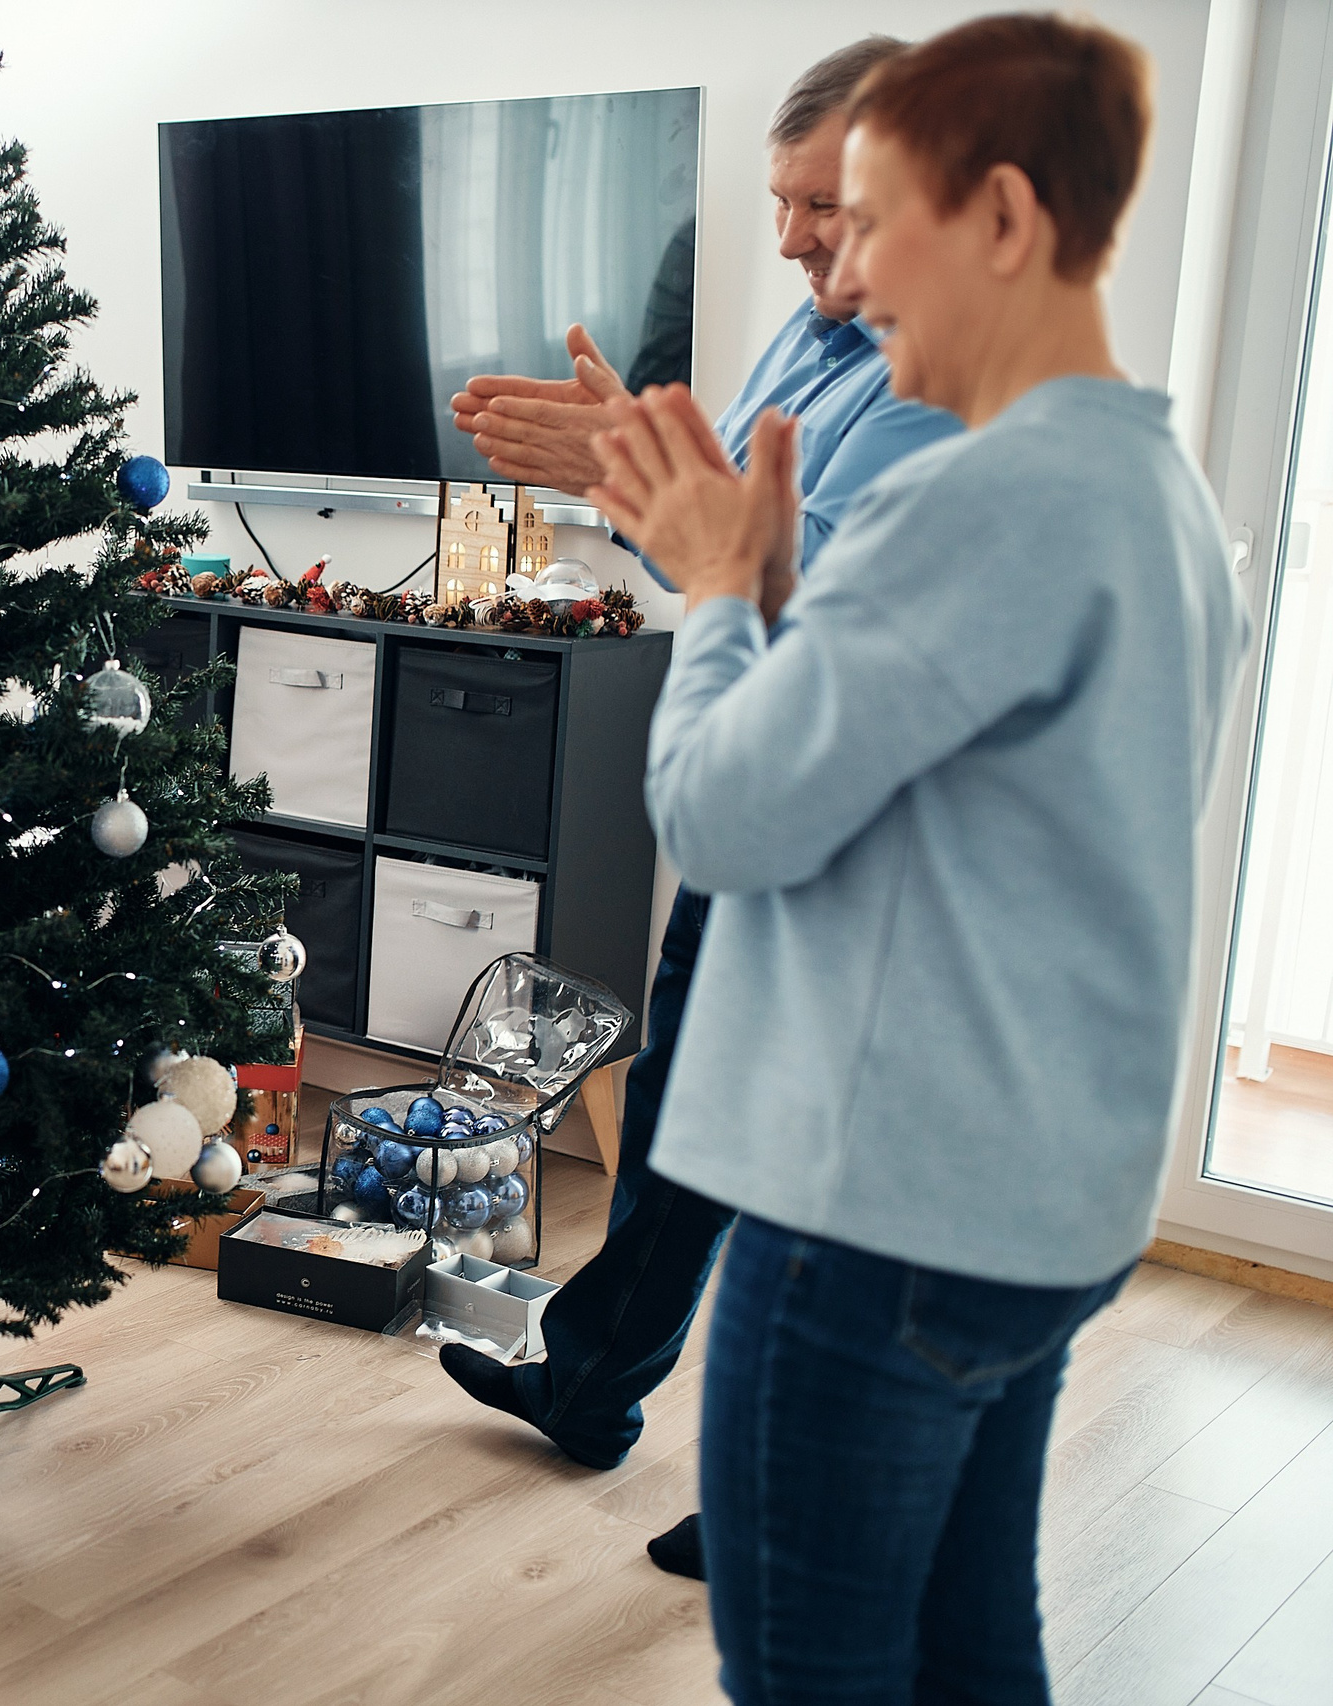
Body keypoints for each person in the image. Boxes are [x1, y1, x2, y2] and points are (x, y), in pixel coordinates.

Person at [590, 16, 1248, 1699]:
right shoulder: (1151, 488)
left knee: (817, 1670)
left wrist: (721, 587)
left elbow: (723, 814)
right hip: (1037, 1209)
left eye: (873, 219)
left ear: (1008, 219)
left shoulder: (982, 502)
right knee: (970, 1647)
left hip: (874, 1215)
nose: (844, 275)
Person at [435, 35, 958, 1581]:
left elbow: (855, 615)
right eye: (786, 202)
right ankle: (593, 1384)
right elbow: (705, 568)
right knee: (684, 1114)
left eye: (828, 208)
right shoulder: (810, 338)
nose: (792, 238)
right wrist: (645, 492)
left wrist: (676, 500)